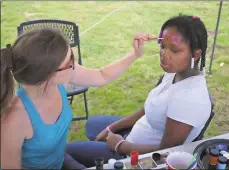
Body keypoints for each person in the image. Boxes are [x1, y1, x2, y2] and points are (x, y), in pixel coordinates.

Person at [65, 14, 212, 168]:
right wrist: (112, 127)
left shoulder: (189, 98)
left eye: (174, 51)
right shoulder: (174, 73)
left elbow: (166, 152)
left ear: (196, 54)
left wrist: (120, 145)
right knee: (93, 124)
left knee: (65, 153)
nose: (164, 54)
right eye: (162, 46)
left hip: (135, 157)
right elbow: (147, 110)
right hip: (134, 135)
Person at [0, 28, 149, 169]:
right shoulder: (14, 118)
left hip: (60, 160)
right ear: (48, 75)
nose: (75, 61)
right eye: (70, 60)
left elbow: (101, 76)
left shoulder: (59, 80)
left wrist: (135, 54)